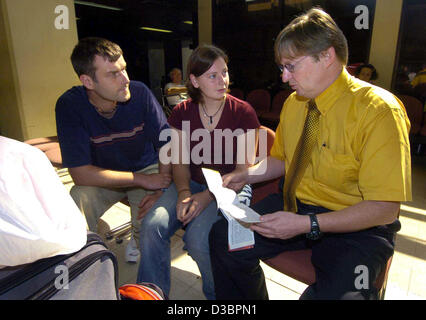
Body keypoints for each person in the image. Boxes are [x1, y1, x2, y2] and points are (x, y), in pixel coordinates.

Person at [209, 8, 411, 300]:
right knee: (223, 238)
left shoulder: (378, 111)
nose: (284, 77)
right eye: (282, 68)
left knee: (347, 294)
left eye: (291, 66)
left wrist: (309, 224)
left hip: (356, 228)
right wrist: (245, 174)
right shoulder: (295, 103)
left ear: (327, 56)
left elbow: (384, 208)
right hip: (297, 206)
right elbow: (282, 159)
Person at [136, 44, 261, 299]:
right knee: (152, 225)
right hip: (190, 182)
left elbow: (242, 172)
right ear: (194, 80)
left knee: (198, 240)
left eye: (224, 73)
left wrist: (207, 197)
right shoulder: (183, 111)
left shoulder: (243, 113)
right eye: (212, 75)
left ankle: (217, 296)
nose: (222, 80)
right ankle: (150, 294)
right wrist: (182, 192)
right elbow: (178, 160)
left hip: (227, 189)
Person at [55, 37, 172, 263]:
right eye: (113, 74)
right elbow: (80, 174)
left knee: (149, 225)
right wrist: (138, 180)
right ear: (88, 81)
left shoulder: (140, 93)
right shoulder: (69, 105)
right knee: (77, 199)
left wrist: (161, 187)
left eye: (124, 69)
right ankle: (84, 260)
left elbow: (166, 143)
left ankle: (137, 241)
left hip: (147, 167)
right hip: (106, 174)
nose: (125, 79)